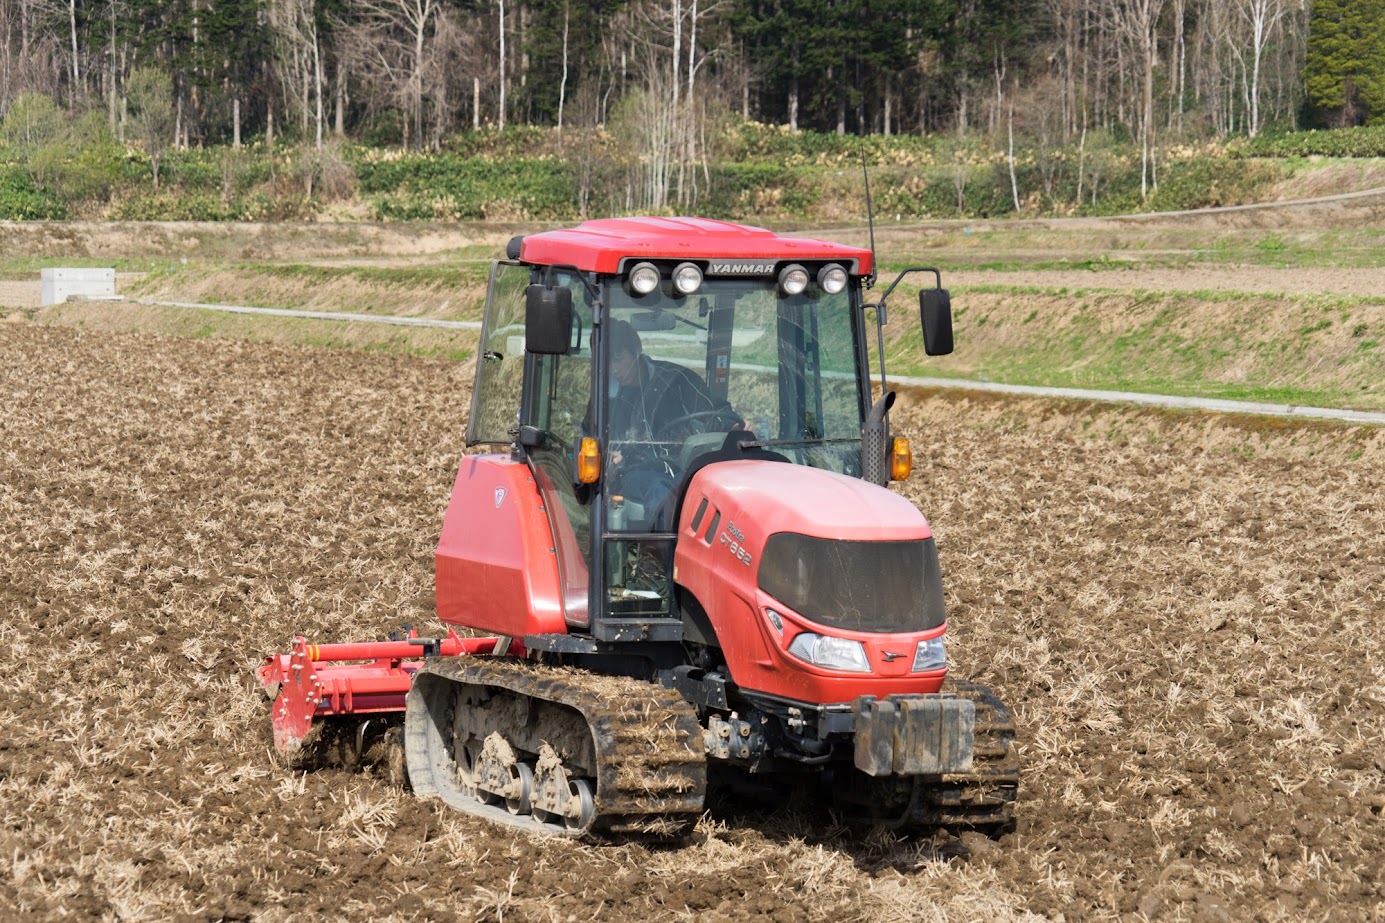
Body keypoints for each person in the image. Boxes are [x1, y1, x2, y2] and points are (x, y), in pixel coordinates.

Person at [600, 318, 738, 515]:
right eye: (608, 362)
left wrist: (732, 425)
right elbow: (592, 435)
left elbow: (712, 410)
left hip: (681, 466)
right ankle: (662, 545)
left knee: (710, 489)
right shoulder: (606, 394)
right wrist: (608, 455)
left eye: (619, 359)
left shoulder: (675, 379)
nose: (613, 369)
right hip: (633, 471)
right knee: (660, 490)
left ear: (636, 351)